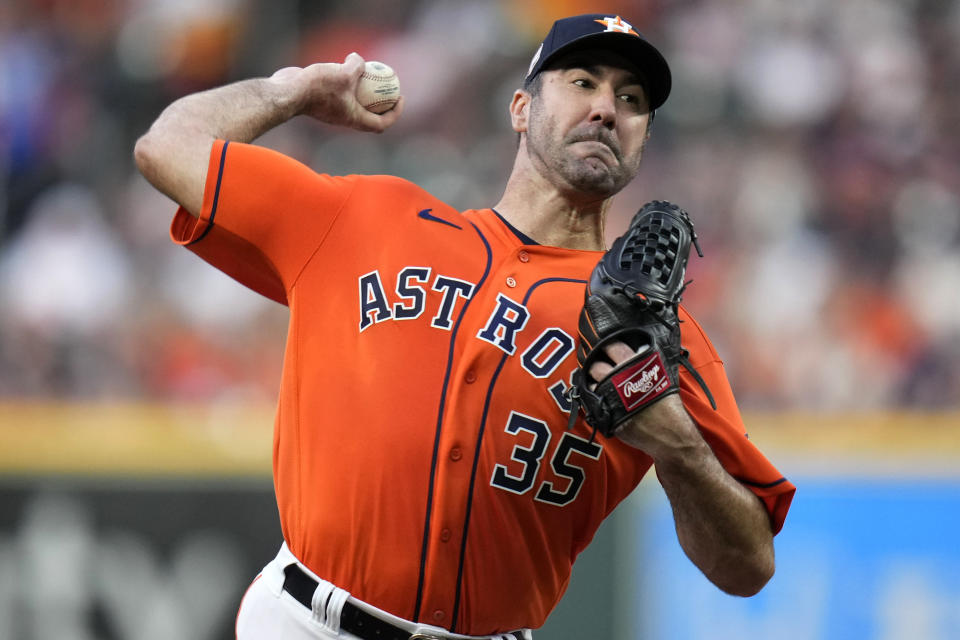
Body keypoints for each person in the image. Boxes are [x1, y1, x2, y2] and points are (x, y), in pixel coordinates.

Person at [134, 13, 795, 640]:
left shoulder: (658, 341)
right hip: (307, 622)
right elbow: (167, 147)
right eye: (582, 82)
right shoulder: (368, 217)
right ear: (520, 109)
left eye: (631, 99)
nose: (605, 108)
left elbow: (748, 565)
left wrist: (678, 448)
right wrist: (292, 91)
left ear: (643, 138)